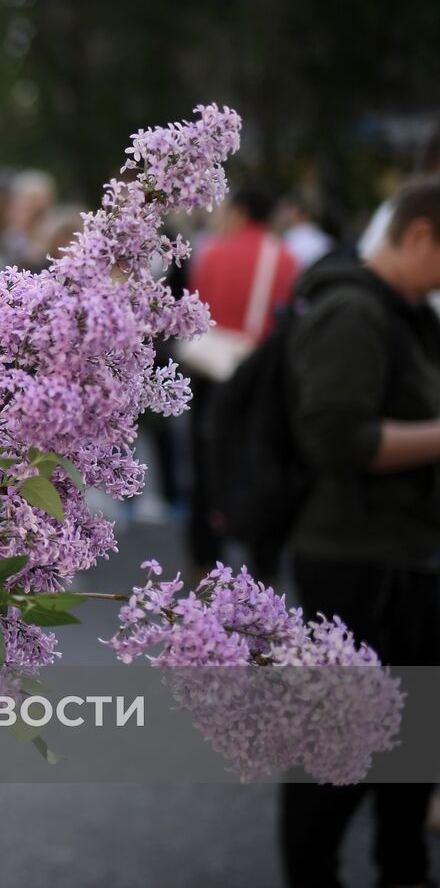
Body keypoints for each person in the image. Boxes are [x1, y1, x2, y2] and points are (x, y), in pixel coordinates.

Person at [279, 177, 440, 888]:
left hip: (404, 560)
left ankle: (401, 867)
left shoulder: (406, 312)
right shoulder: (352, 310)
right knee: (334, 758)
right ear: (419, 235)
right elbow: (337, 437)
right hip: (355, 565)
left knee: (409, 753)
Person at [182, 186, 299, 577]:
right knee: (262, 460)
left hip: (214, 371)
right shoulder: (285, 258)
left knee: (206, 461)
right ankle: (263, 563)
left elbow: (198, 309)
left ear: (242, 210)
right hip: (264, 376)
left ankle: (204, 559)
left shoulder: (213, 252)